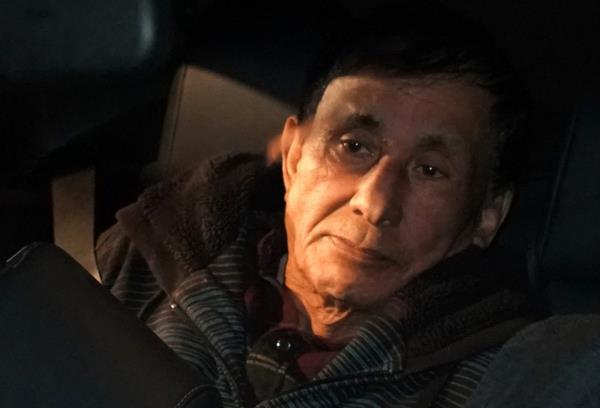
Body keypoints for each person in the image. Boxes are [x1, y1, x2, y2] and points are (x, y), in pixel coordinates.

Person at [96, 3, 534, 407]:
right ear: (293, 157)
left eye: (430, 170)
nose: (374, 203)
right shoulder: (146, 255)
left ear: (487, 216)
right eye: (354, 146)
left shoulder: (512, 382)